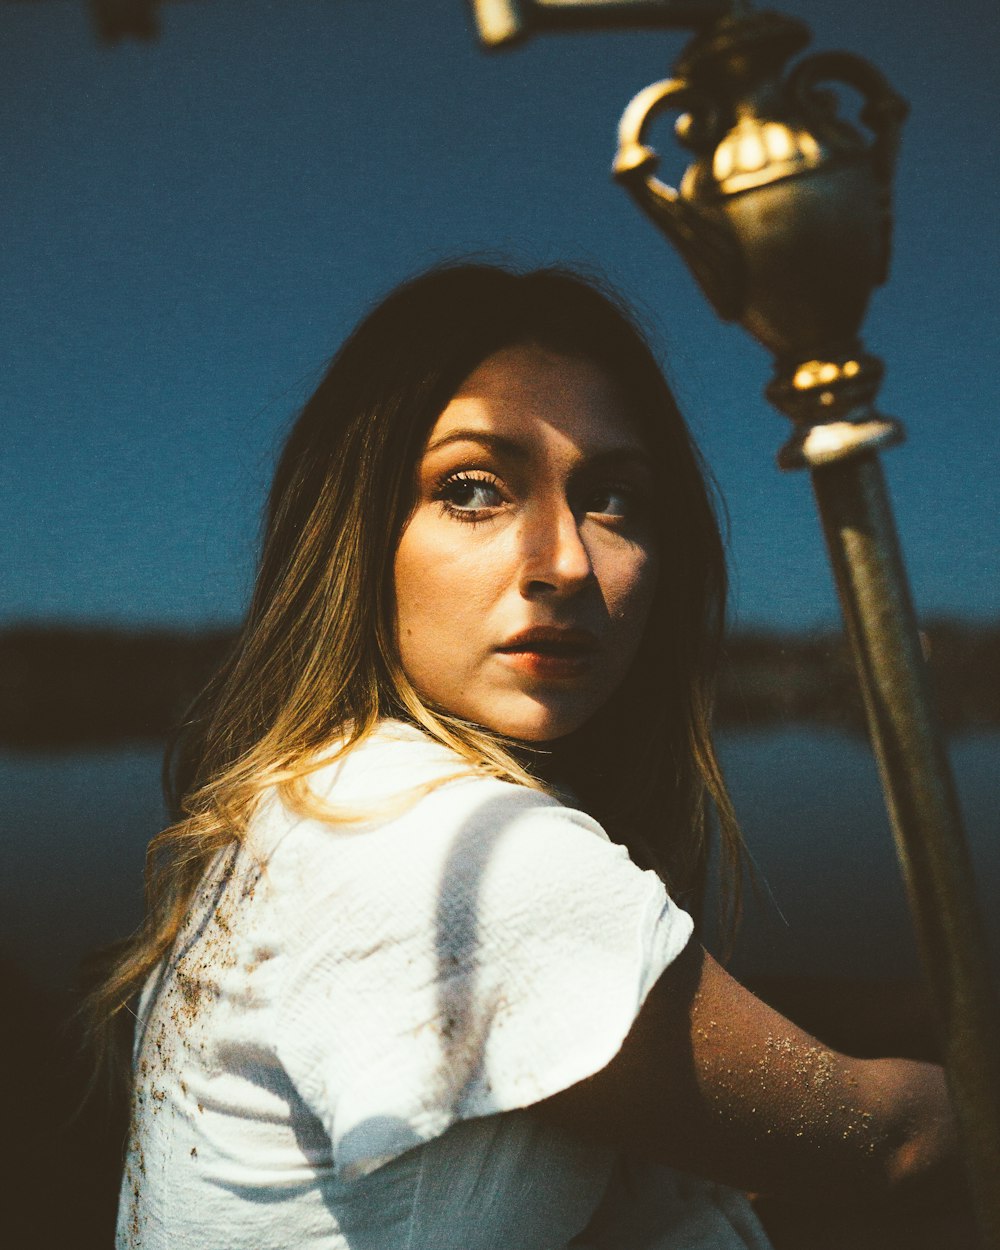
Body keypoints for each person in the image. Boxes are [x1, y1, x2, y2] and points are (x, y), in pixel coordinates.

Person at [89, 264, 960, 1250]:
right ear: (360, 535)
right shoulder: (464, 849)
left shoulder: (326, 799)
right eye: (471, 490)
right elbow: (885, 1141)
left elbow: (665, 1031)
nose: (567, 562)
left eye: (615, 499)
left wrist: (914, 1005)